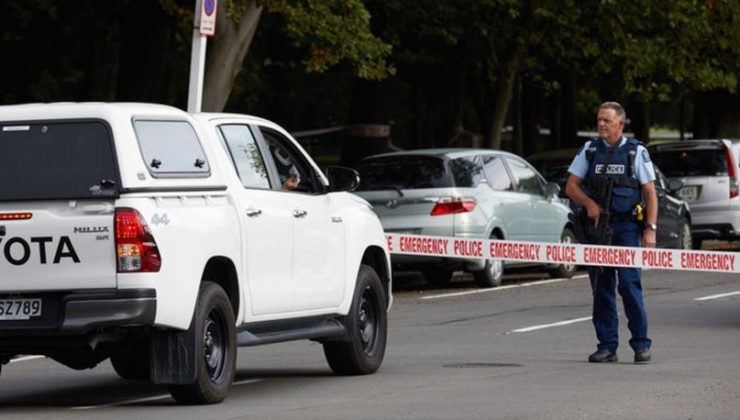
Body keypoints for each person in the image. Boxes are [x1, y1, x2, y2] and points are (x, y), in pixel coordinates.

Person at [565, 101, 658, 364]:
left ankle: (641, 344)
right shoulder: (590, 150)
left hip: (627, 227)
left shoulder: (635, 152)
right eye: (599, 120)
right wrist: (589, 204)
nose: (602, 124)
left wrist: (649, 229)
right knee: (602, 288)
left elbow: (650, 192)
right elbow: (571, 186)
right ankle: (607, 346)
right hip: (597, 229)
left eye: (607, 120)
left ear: (620, 123)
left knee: (629, 285)